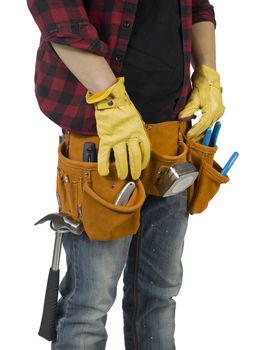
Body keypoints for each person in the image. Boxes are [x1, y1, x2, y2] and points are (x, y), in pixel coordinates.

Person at [27, 0, 225, 349]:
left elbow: (198, 8)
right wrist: (108, 96)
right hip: (102, 137)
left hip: (172, 133)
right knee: (88, 306)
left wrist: (208, 73)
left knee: (159, 297)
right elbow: (57, 12)